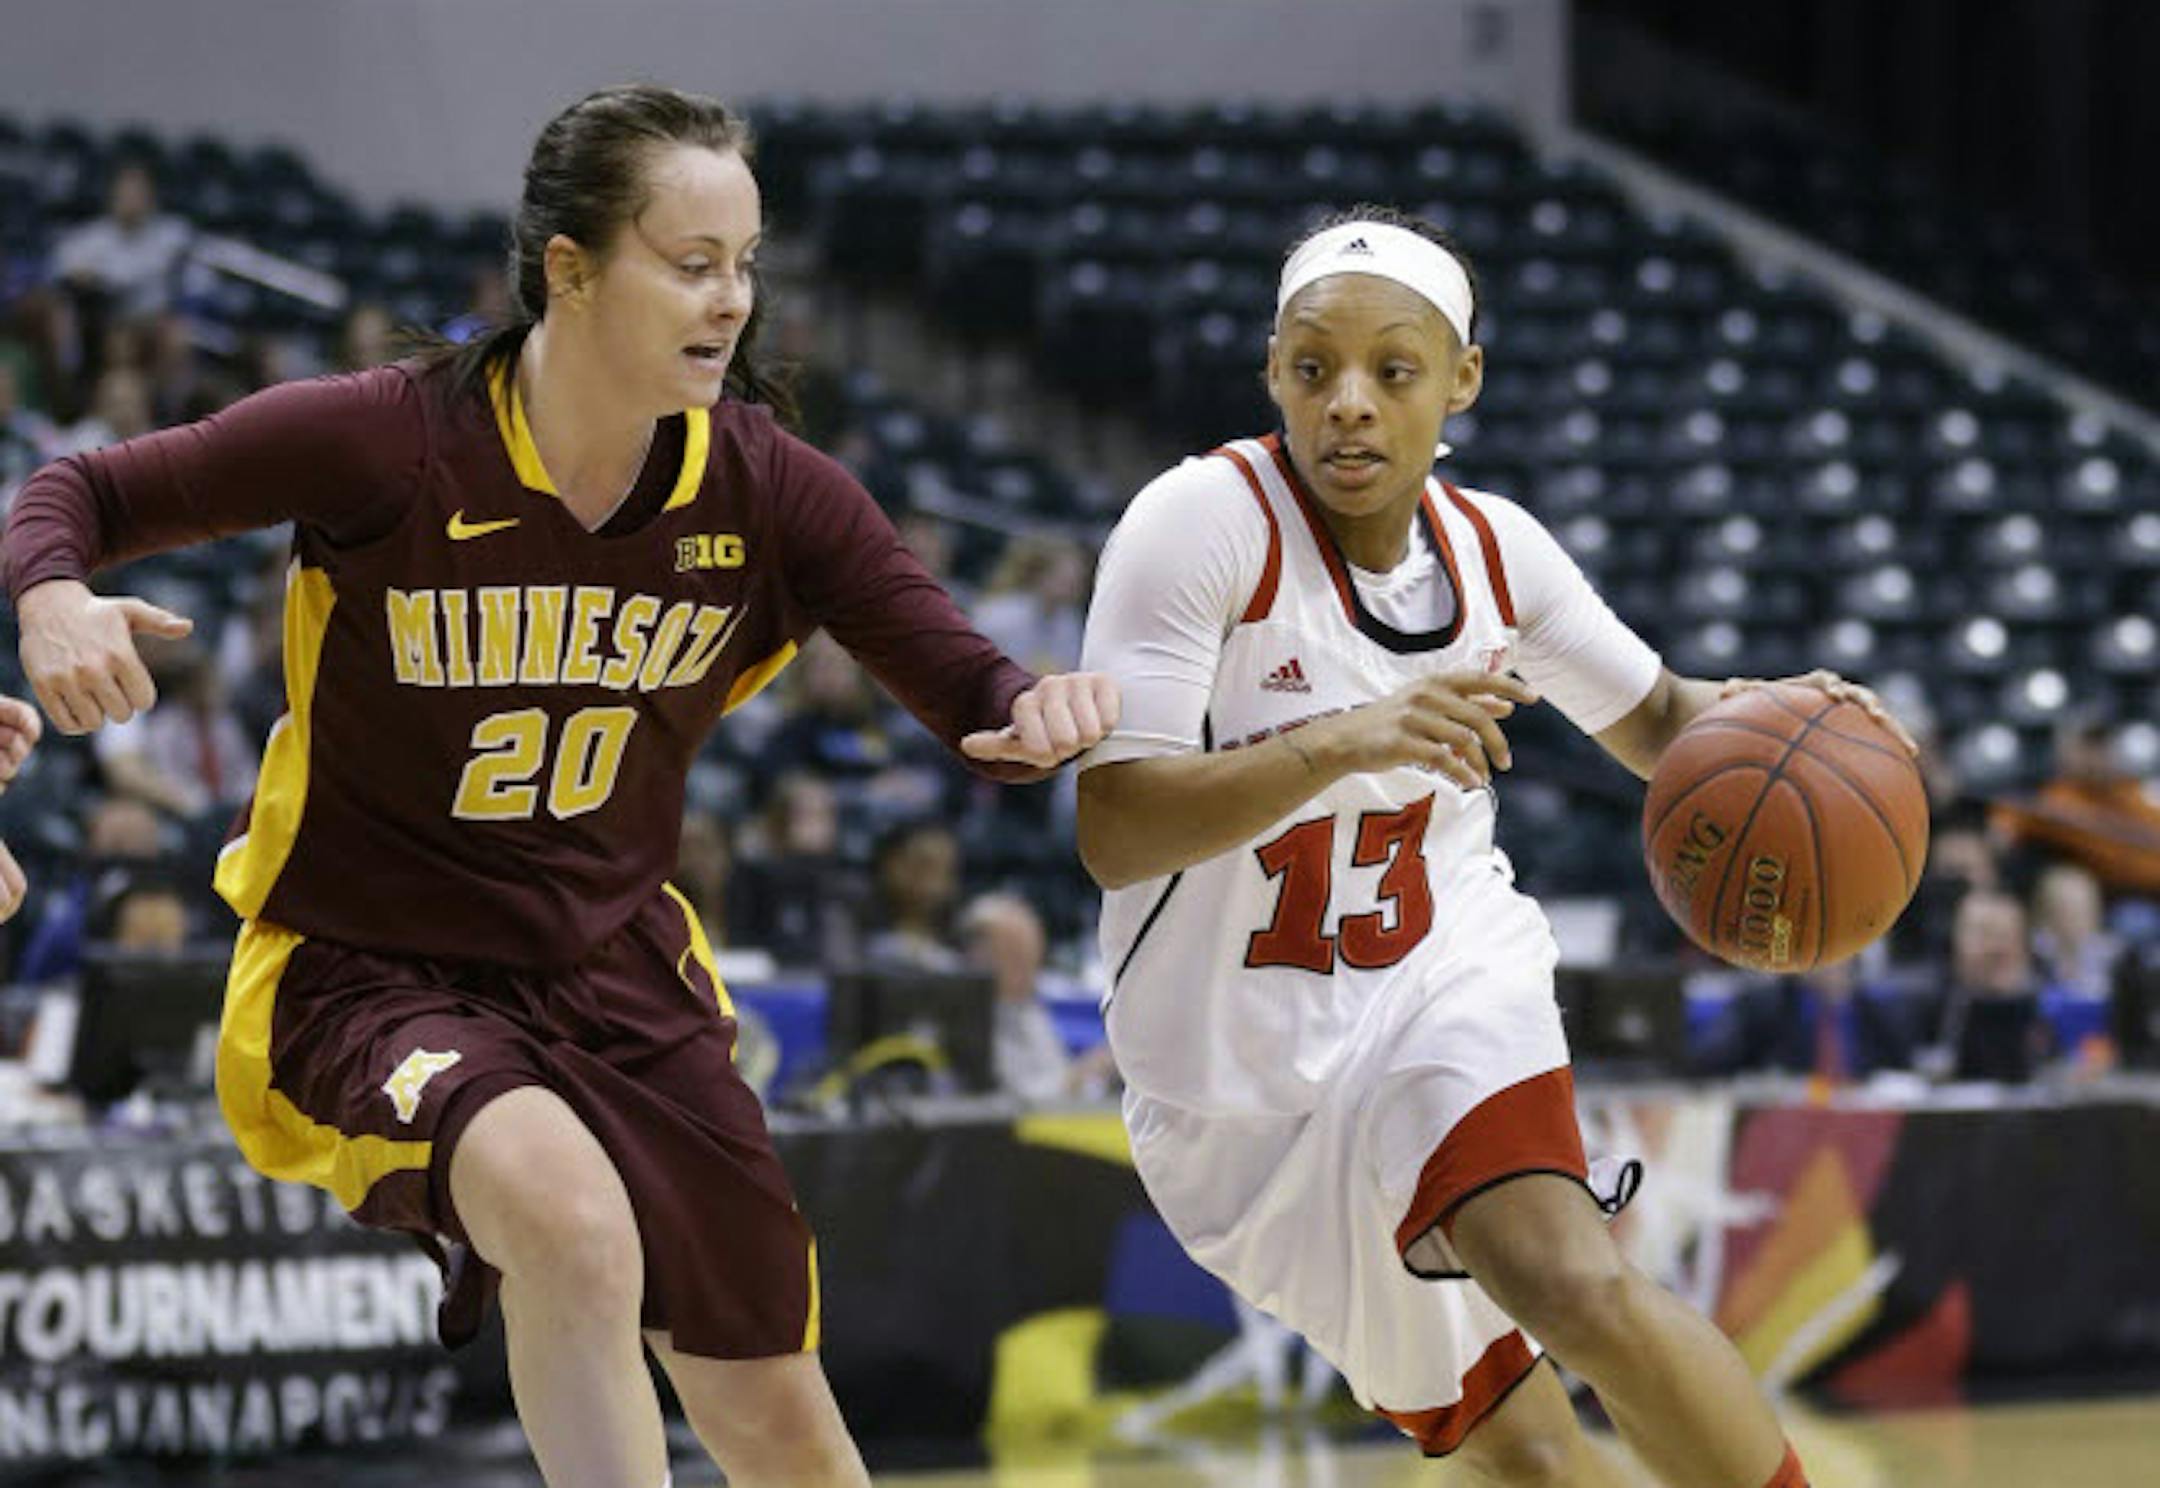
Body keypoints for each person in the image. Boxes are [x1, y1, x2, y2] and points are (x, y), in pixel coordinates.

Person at [4, 84, 1116, 1488]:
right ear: (569, 270)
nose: (733, 303)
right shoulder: (389, 441)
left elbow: (973, 687)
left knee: (783, 1419)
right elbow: (75, 496)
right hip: (369, 966)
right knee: (574, 1227)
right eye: (692, 263)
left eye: (748, 265)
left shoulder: (771, 491)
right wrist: (53, 601)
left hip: (617, 971)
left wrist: (1038, 709)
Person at [1077, 207, 1918, 1488]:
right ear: (1272, 375)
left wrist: (1774, 716)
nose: (1348, 405)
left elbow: (1659, 723)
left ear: (1462, 377)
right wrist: (1345, 739)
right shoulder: (1200, 526)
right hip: (1231, 1096)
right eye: (1314, 370)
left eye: (1392, 370)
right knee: (1526, 1453)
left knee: (1567, 1273)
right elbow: (1116, 825)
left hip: (1437, 982)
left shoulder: (1496, 552)